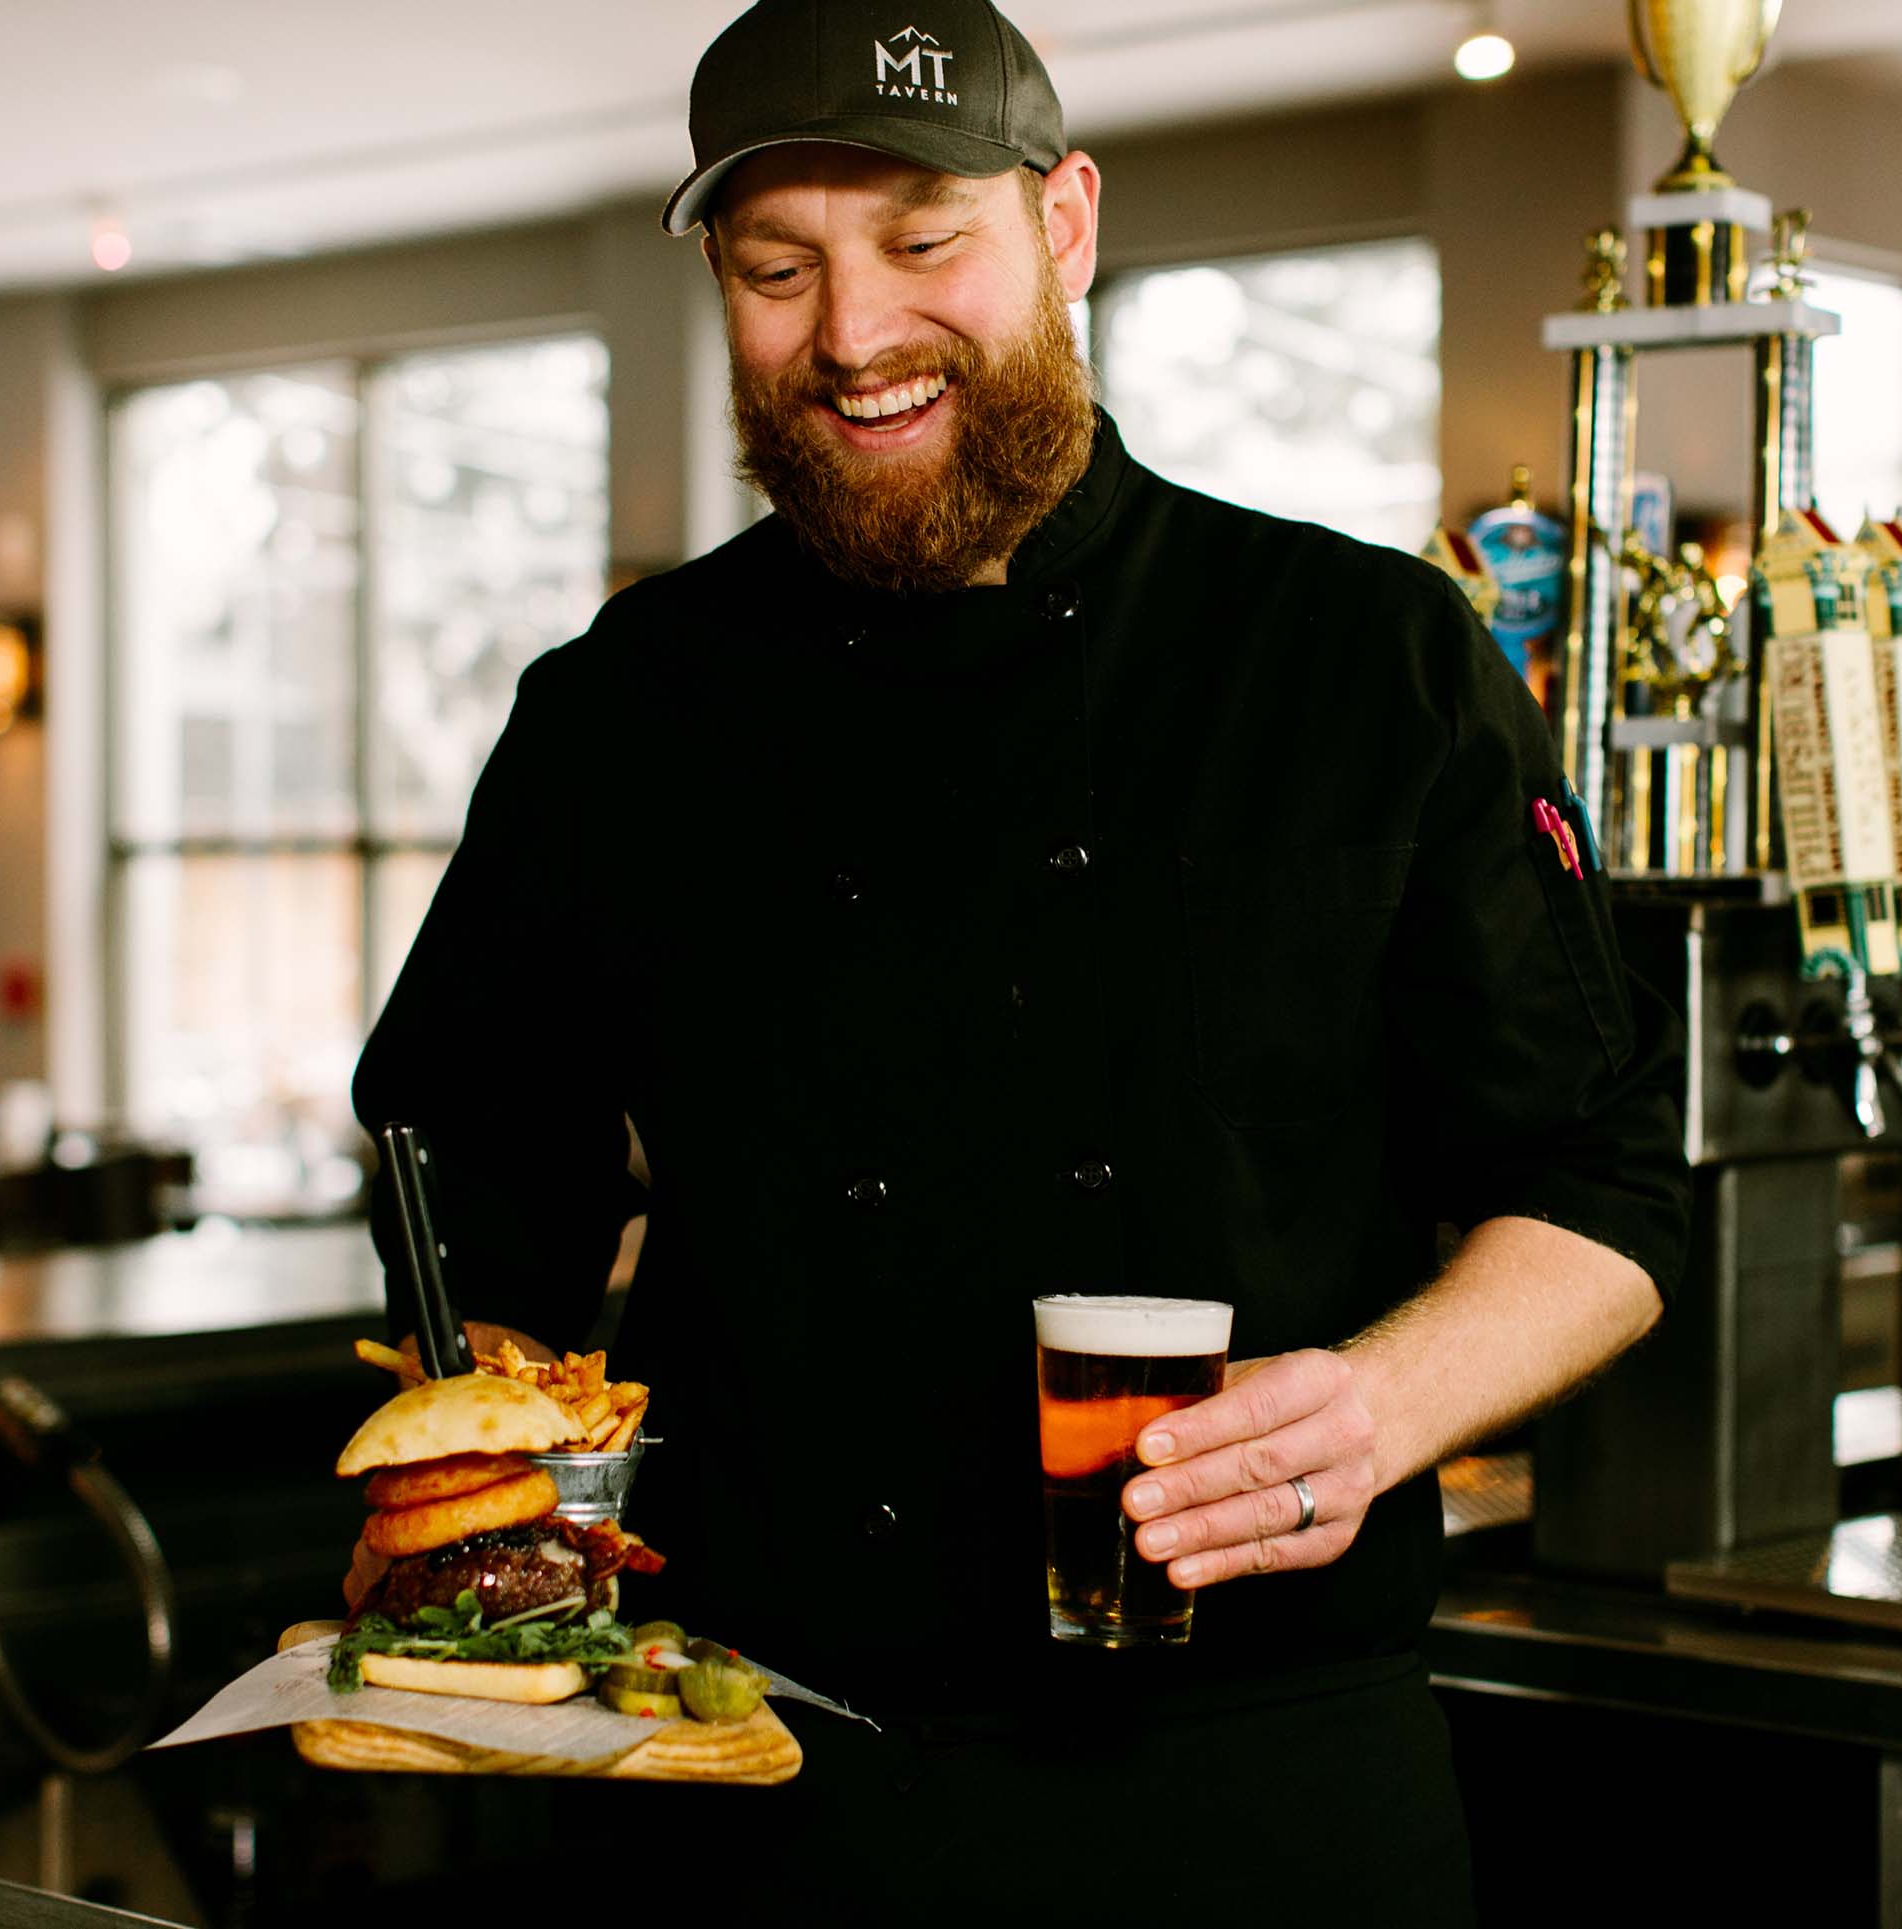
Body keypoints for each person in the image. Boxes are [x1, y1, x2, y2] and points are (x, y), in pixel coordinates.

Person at [352, 2, 1688, 1917]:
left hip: (1260, 1779)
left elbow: (1607, 1185)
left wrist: (1376, 1410)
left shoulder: (1360, 659)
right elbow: (463, 1179)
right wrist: (493, 1510)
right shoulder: (618, 715)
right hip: (749, 1770)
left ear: (1064, 226)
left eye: (921, 242)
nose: (853, 336)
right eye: (775, 267)